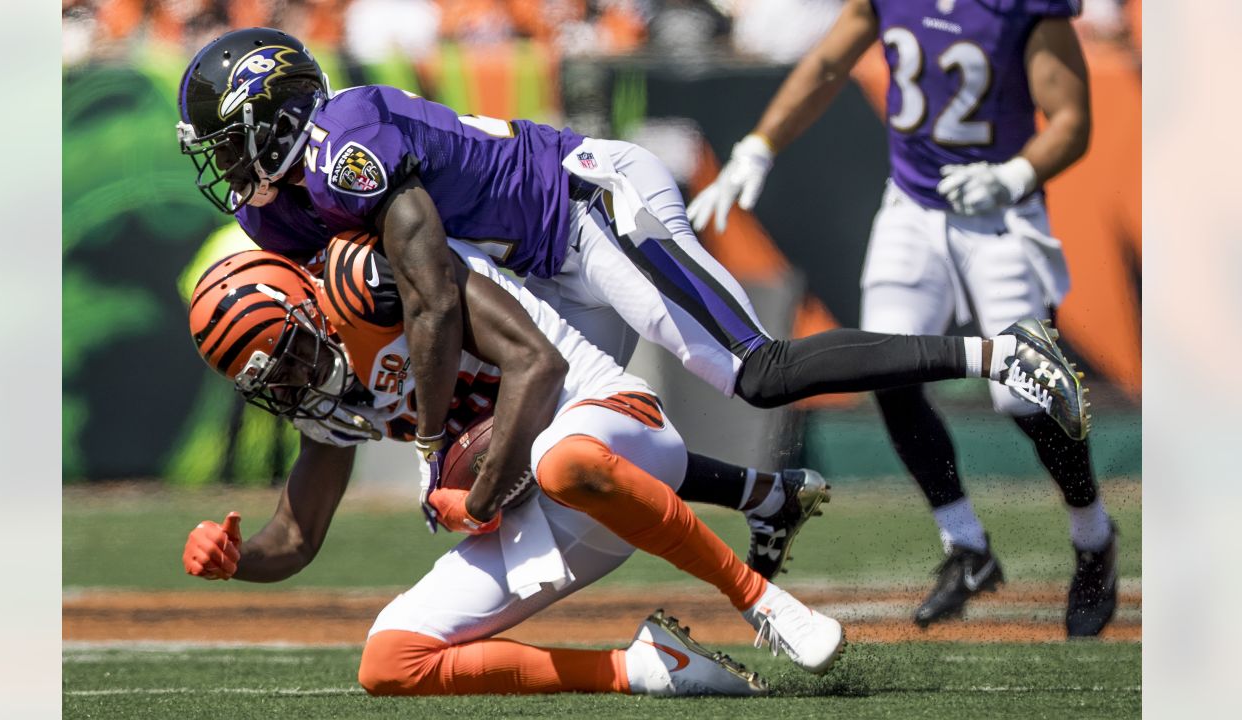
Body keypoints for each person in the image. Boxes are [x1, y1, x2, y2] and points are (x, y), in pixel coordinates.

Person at [174, 29, 1091, 547]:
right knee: (574, 440)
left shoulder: (346, 143)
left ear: (276, 114)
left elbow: (436, 297)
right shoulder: (275, 216)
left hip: (586, 206)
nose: (220, 162)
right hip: (537, 263)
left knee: (756, 371)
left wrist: (424, 444)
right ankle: (771, 499)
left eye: (225, 138)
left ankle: (1004, 349)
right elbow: (339, 297)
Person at [180, 236, 848, 696]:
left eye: (293, 354)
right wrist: (238, 559)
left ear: (306, 299)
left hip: (605, 420)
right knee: (391, 660)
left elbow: (538, 365)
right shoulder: (318, 399)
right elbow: (296, 536)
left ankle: (764, 602)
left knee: (564, 459)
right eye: (276, 381)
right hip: (532, 502)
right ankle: (647, 668)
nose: (297, 382)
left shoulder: (375, 281)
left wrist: (476, 499)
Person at [687, 0, 1116, 636]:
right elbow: (829, 62)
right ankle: (965, 544)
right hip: (913, 206)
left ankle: (1092, 537)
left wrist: (1014, 174)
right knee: (883, 365)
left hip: (1000, 214)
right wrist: (759, 145)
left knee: (1026, 396)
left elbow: (1072, 120)